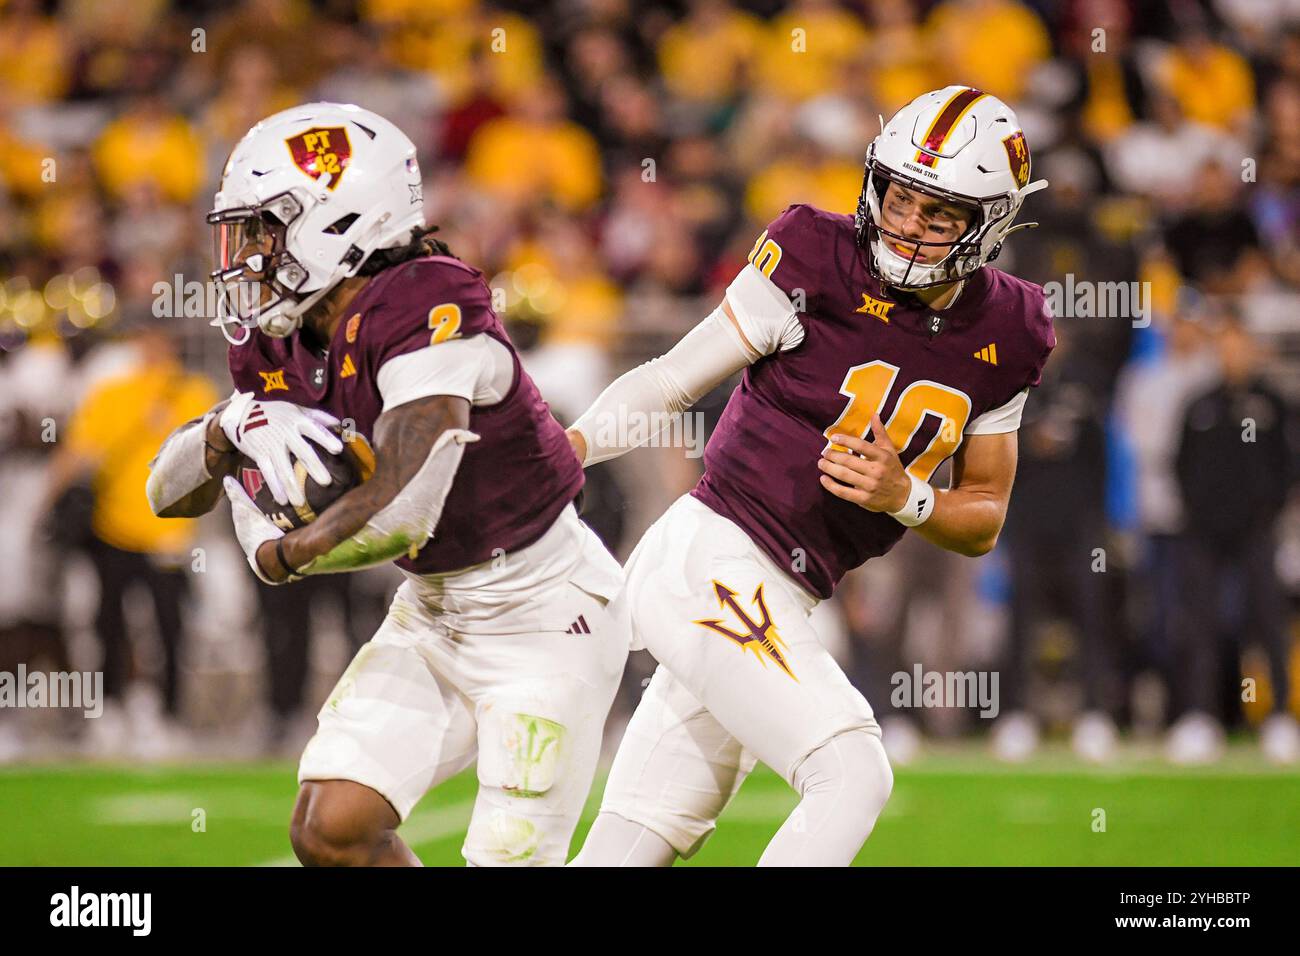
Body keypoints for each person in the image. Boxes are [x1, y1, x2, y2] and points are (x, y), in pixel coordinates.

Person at [567, 86, 1055, 866]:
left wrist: (908, 497)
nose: (909, 226)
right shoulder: (812, 253)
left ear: (989, 222)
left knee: (632, 844)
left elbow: (985, 514)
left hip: (786, 593)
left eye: (940, 216)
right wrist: (569, 450)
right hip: (710, 557)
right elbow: (668, 381)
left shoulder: (1013, 328)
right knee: (851, 771)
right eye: (899, 199)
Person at [146, 103, 628, 866]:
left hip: (545, 612)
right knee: (328, 831)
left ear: (339, 221)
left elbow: (405, 513)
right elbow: (164, 496)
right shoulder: (281, 332)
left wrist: (279, 553)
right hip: (436, 609)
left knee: (509, 855)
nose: (250, 253)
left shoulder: (428, 300)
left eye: (268, 229)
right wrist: (222, 432)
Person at [43, 319, 218, 757]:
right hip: (113, 526)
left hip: (168, 532)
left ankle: (167, 714)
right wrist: (47, 503)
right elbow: (79, 452)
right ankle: (114, 709)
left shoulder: (193, 392)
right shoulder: (114, 392)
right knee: (109, 622)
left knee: (168, 627)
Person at [1170, 317, 1298, 764]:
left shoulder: (1273, 403)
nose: (1232, 356)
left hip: (1257, 531)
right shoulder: (1198, 404)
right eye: (1224, 348)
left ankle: (1280, 717)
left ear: (1252, 351)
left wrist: (1268, 512)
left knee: (1269, 622)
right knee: (1200, 625)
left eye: (1239, 347)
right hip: (1204, 533)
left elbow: (1287, 465)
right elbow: (1180, 465)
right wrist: (1199, 513)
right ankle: (1201, 717)